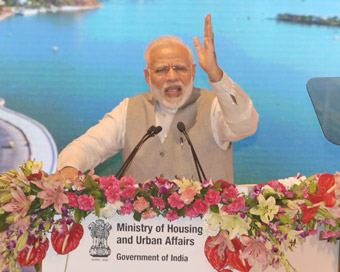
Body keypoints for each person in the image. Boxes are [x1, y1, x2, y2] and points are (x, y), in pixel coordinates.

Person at [49, 14, 259, 184]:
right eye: (161, 70)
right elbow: (90, 145)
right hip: (139, 234)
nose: (172, 76)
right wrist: (70, 168)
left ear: (193, 72)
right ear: (147, 77)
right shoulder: (129, 108)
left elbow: (245, 125)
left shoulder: (214, 105)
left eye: (180, 68)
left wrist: (216, 75)